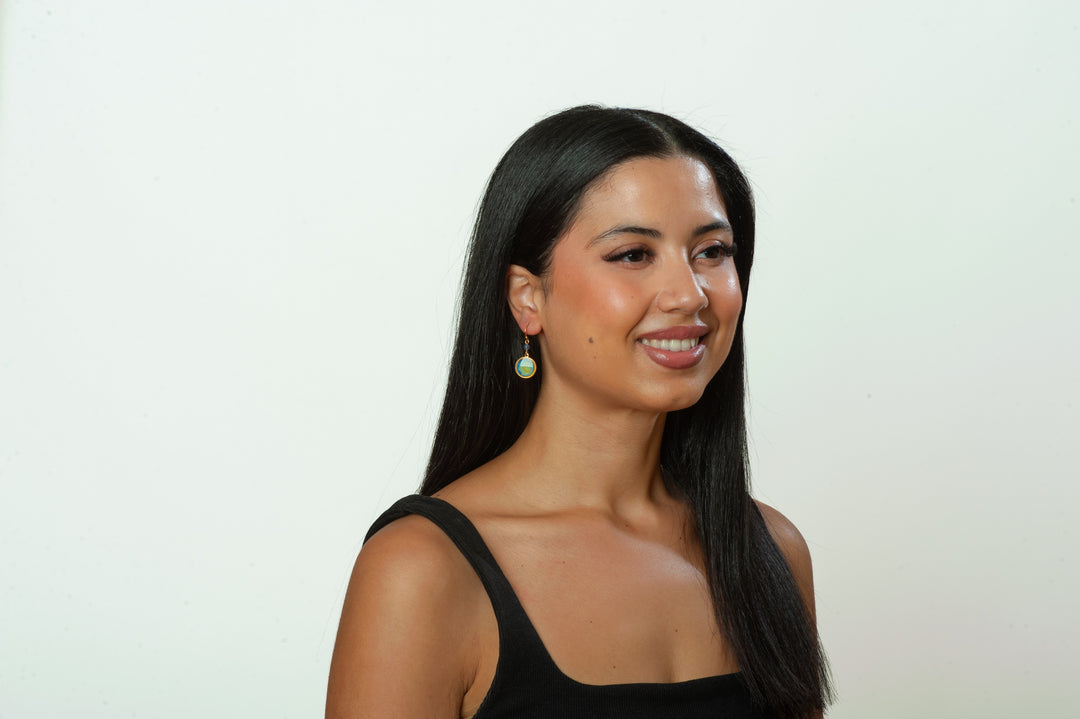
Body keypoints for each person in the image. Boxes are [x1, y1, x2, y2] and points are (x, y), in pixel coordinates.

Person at [326, 106, 832, 718]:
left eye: (712, 251)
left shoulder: (770, 551)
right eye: (632, 255)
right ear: (528, 298)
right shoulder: (422, 571)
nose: (689, 294)